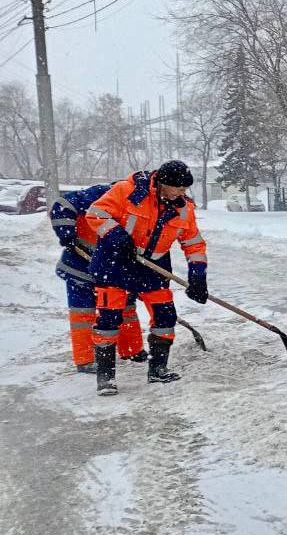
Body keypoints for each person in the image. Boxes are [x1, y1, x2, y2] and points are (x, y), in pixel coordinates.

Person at [84, 160, 209, 395]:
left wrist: (198, 276)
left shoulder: (185, 209)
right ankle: (106, 378)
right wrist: (116, 235)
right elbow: (96, 214)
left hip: (153, 267)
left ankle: (158, 370)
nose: (183, 194)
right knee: (109, 320)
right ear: (164, 184)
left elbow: (193, 243)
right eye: (180, 189)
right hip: (115, 265)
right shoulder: (128, 191)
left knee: (165, 316)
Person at [48, 185, 147, 372]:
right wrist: (66, 233)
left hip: (116, 271)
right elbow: (62, 205)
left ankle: (132, 351)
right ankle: (86, 359)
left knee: (126, 309)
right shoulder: (99, 195)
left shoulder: (144, 208)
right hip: (80, 267)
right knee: (83, 314)